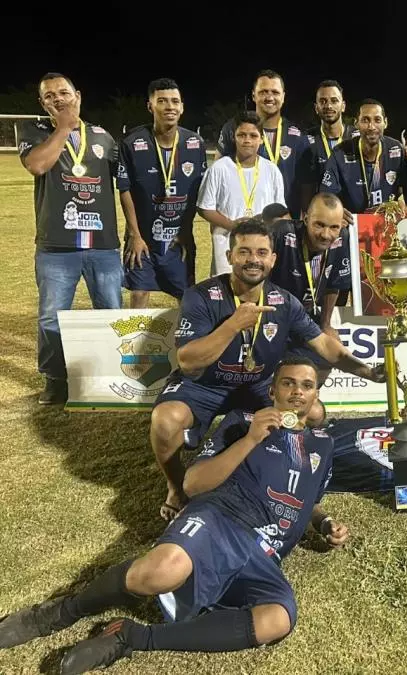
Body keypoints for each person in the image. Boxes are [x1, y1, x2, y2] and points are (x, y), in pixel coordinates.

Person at [0, 356, 352, 672]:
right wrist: (251, 440)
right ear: (273, 389)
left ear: (316, 394)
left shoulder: (323, 444)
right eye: (288, 382)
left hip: (264, 554)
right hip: (221, 519)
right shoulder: (241, 422)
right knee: (159, 572)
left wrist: (323, 523)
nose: (297, 392)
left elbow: (306, 501)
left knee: (277, 619)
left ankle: (133, 638)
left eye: (307, 385)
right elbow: (195, 484)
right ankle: (59, 613)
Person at [150, 220, 385, 521]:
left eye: (262, 252)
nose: (253, 260)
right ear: (230, 256)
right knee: (166, 419)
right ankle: (175, 488)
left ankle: (294, 477)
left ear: (273, 259)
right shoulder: (201, 296)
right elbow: (187, 361)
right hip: (204, 384)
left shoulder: (283, 301)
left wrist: (368, 372)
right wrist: (233, 324)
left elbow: (325, 347)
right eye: (244, 251)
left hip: (258, 384)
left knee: (313, 414)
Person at [16, 72, 123, 405]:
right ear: (42, 103)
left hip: (103, 244)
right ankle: (56, 380)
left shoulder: (104, 137)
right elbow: (37, 165)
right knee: (52, 317)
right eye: (50, 96)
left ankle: (111, 375)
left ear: (78, 95)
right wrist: (63, 127)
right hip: (56, 246)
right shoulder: (35, 132)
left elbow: (127, 185)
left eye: (64, 93)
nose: (58, 99)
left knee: (110, 311)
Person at [118, 78, 207, 308]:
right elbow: (125, 189)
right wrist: (135, 235)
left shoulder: (195, 144)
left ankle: (184, 343)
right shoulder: (132, 143)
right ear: (150, 106)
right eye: (162, 101)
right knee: (139, 294)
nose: (170, 107)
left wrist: (187, 231)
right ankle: (136, 345)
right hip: (143, 238)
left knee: (186, 297)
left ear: (182, 107)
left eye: (175, 101)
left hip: (179, 240)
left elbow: (199, 191)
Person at [270, 192, 352, 383]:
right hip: (273, 316)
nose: (326, 234)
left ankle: (309, 397)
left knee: (329, 354)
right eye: (319, 225)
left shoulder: (342, 238)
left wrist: (326, 324)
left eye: (334, 227)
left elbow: (334, 284)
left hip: (307, 318)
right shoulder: (282, 233)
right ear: (306, 218)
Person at [198, 111, 285, 276]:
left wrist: (264, 220)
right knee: (227, 292)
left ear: (261, 138)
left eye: (253, 135)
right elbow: (204, 208)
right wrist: (232, 225)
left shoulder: (272, 170)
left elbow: (279, 209)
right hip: (227, 245)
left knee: (257, 292)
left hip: (261, 245)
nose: (247, 140)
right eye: (242, 135)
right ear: (234, 137)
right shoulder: (219, 168)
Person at [215, 70, 306, 212]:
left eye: (275, 92)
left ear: (283, 96)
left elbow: (304, 184)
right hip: (241, 218)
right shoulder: (233, 128)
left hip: (285, 219)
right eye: (263, 92)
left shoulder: (297, 135)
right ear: (253, 95)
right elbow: (218, 174)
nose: (269, 97)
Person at [320, 99, 407, 214]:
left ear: (385, 123)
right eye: (365, 120)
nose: (371, 126)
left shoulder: (396, 149)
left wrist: (402, 202)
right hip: (352, 224)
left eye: (377, 120)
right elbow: (326, 197)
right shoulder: (340, 153)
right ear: (356, 123)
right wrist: (337, 212)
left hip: (387, 223)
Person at [295, 80, 359, 216]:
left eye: (334, 100)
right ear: (316, 107)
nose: (328, 106)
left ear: (343, 106)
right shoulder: (305, 140)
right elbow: (305, 188)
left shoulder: (357, 138)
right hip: (321, 219)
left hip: (353, 218)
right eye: (323, 101)